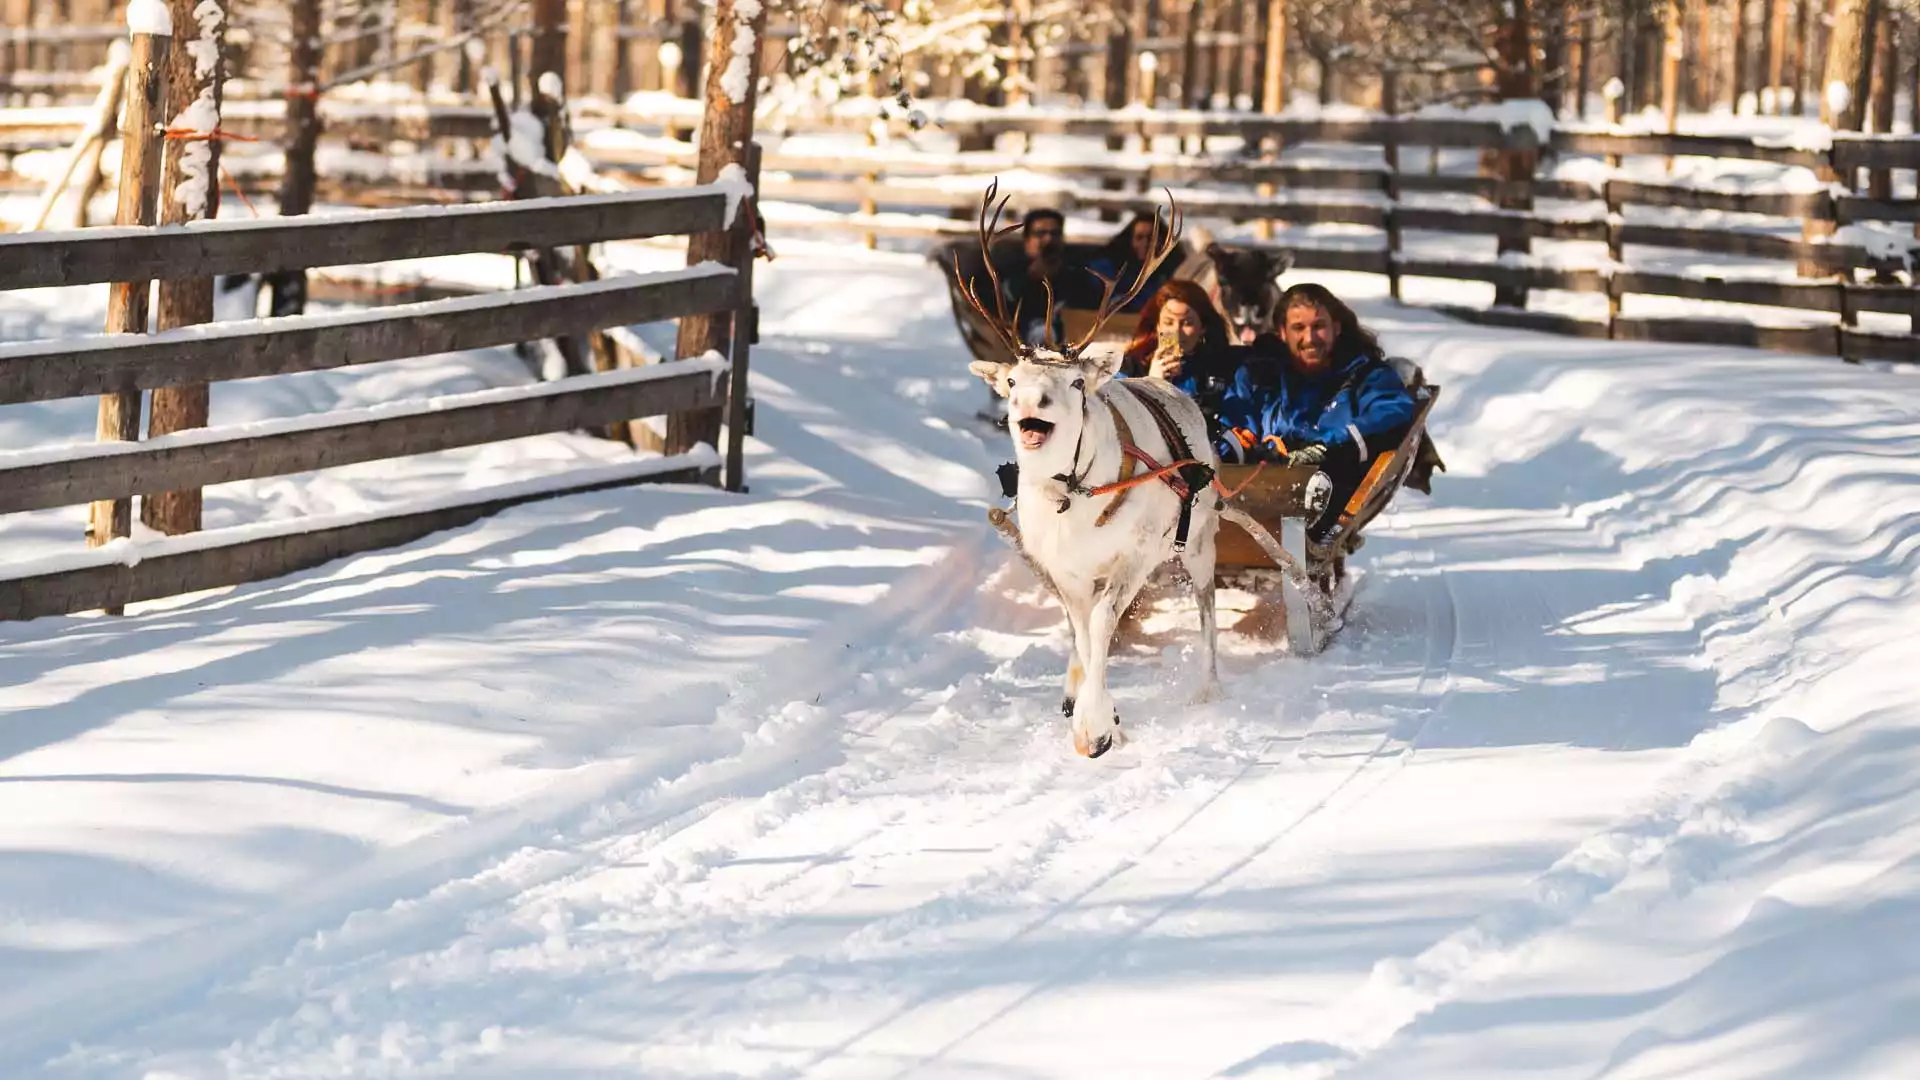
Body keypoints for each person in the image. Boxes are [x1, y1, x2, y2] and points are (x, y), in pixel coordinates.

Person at [1213, 283, 1416, 539]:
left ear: (1336, 328)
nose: (1310, 339)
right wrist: (1240, 446)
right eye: (1298, 328)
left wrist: (1325, 446)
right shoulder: (1259, 375)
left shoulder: (1364, 374)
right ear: (1283, 333)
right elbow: (1236, 422)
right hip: (1254, 487)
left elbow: (1392, 410)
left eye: (1319, 326)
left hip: (1330, 486)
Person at [991, 208, 1085, 347]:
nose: (1049, 239)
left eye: (1055, 233)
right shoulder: (1007, 269)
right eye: (1040, 233)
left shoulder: (1076, 272)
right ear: (1027, 240)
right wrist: (1029, 277)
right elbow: (998, 302)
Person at [1086, 214, 1177, 313]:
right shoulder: (1105, 268)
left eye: (1152, 238)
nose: (1145, 244)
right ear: (1130, 240)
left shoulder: (1170, 273)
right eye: (1139, 238)